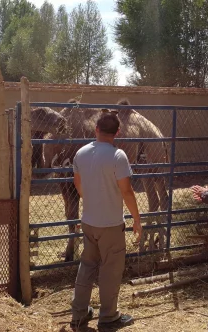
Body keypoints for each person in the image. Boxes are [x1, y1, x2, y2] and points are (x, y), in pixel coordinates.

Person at [69, 109, 142, 331]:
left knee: (87, 265)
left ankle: (79, 314)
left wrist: (90, 200)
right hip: (111, 225)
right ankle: (109, 317)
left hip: (89, 221)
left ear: (96, 129)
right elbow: (127, 191)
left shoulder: (81, 153)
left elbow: (77, 183)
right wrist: (137, 219)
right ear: (117, 132)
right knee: (110, 269)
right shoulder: (118, 156)